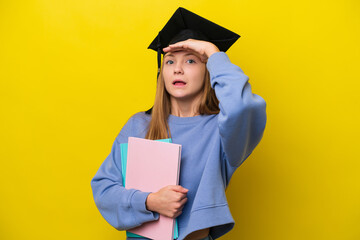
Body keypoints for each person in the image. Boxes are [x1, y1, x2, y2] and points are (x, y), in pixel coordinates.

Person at [91, 7, 267, 240]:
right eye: (170, 61)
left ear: (208, 71)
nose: (178, 69)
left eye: (191, 60)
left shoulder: (221, 130)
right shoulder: (138, 125)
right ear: (161, 72)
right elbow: (104, 189)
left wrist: (213, 53)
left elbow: (241, 106)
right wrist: (150, 201)